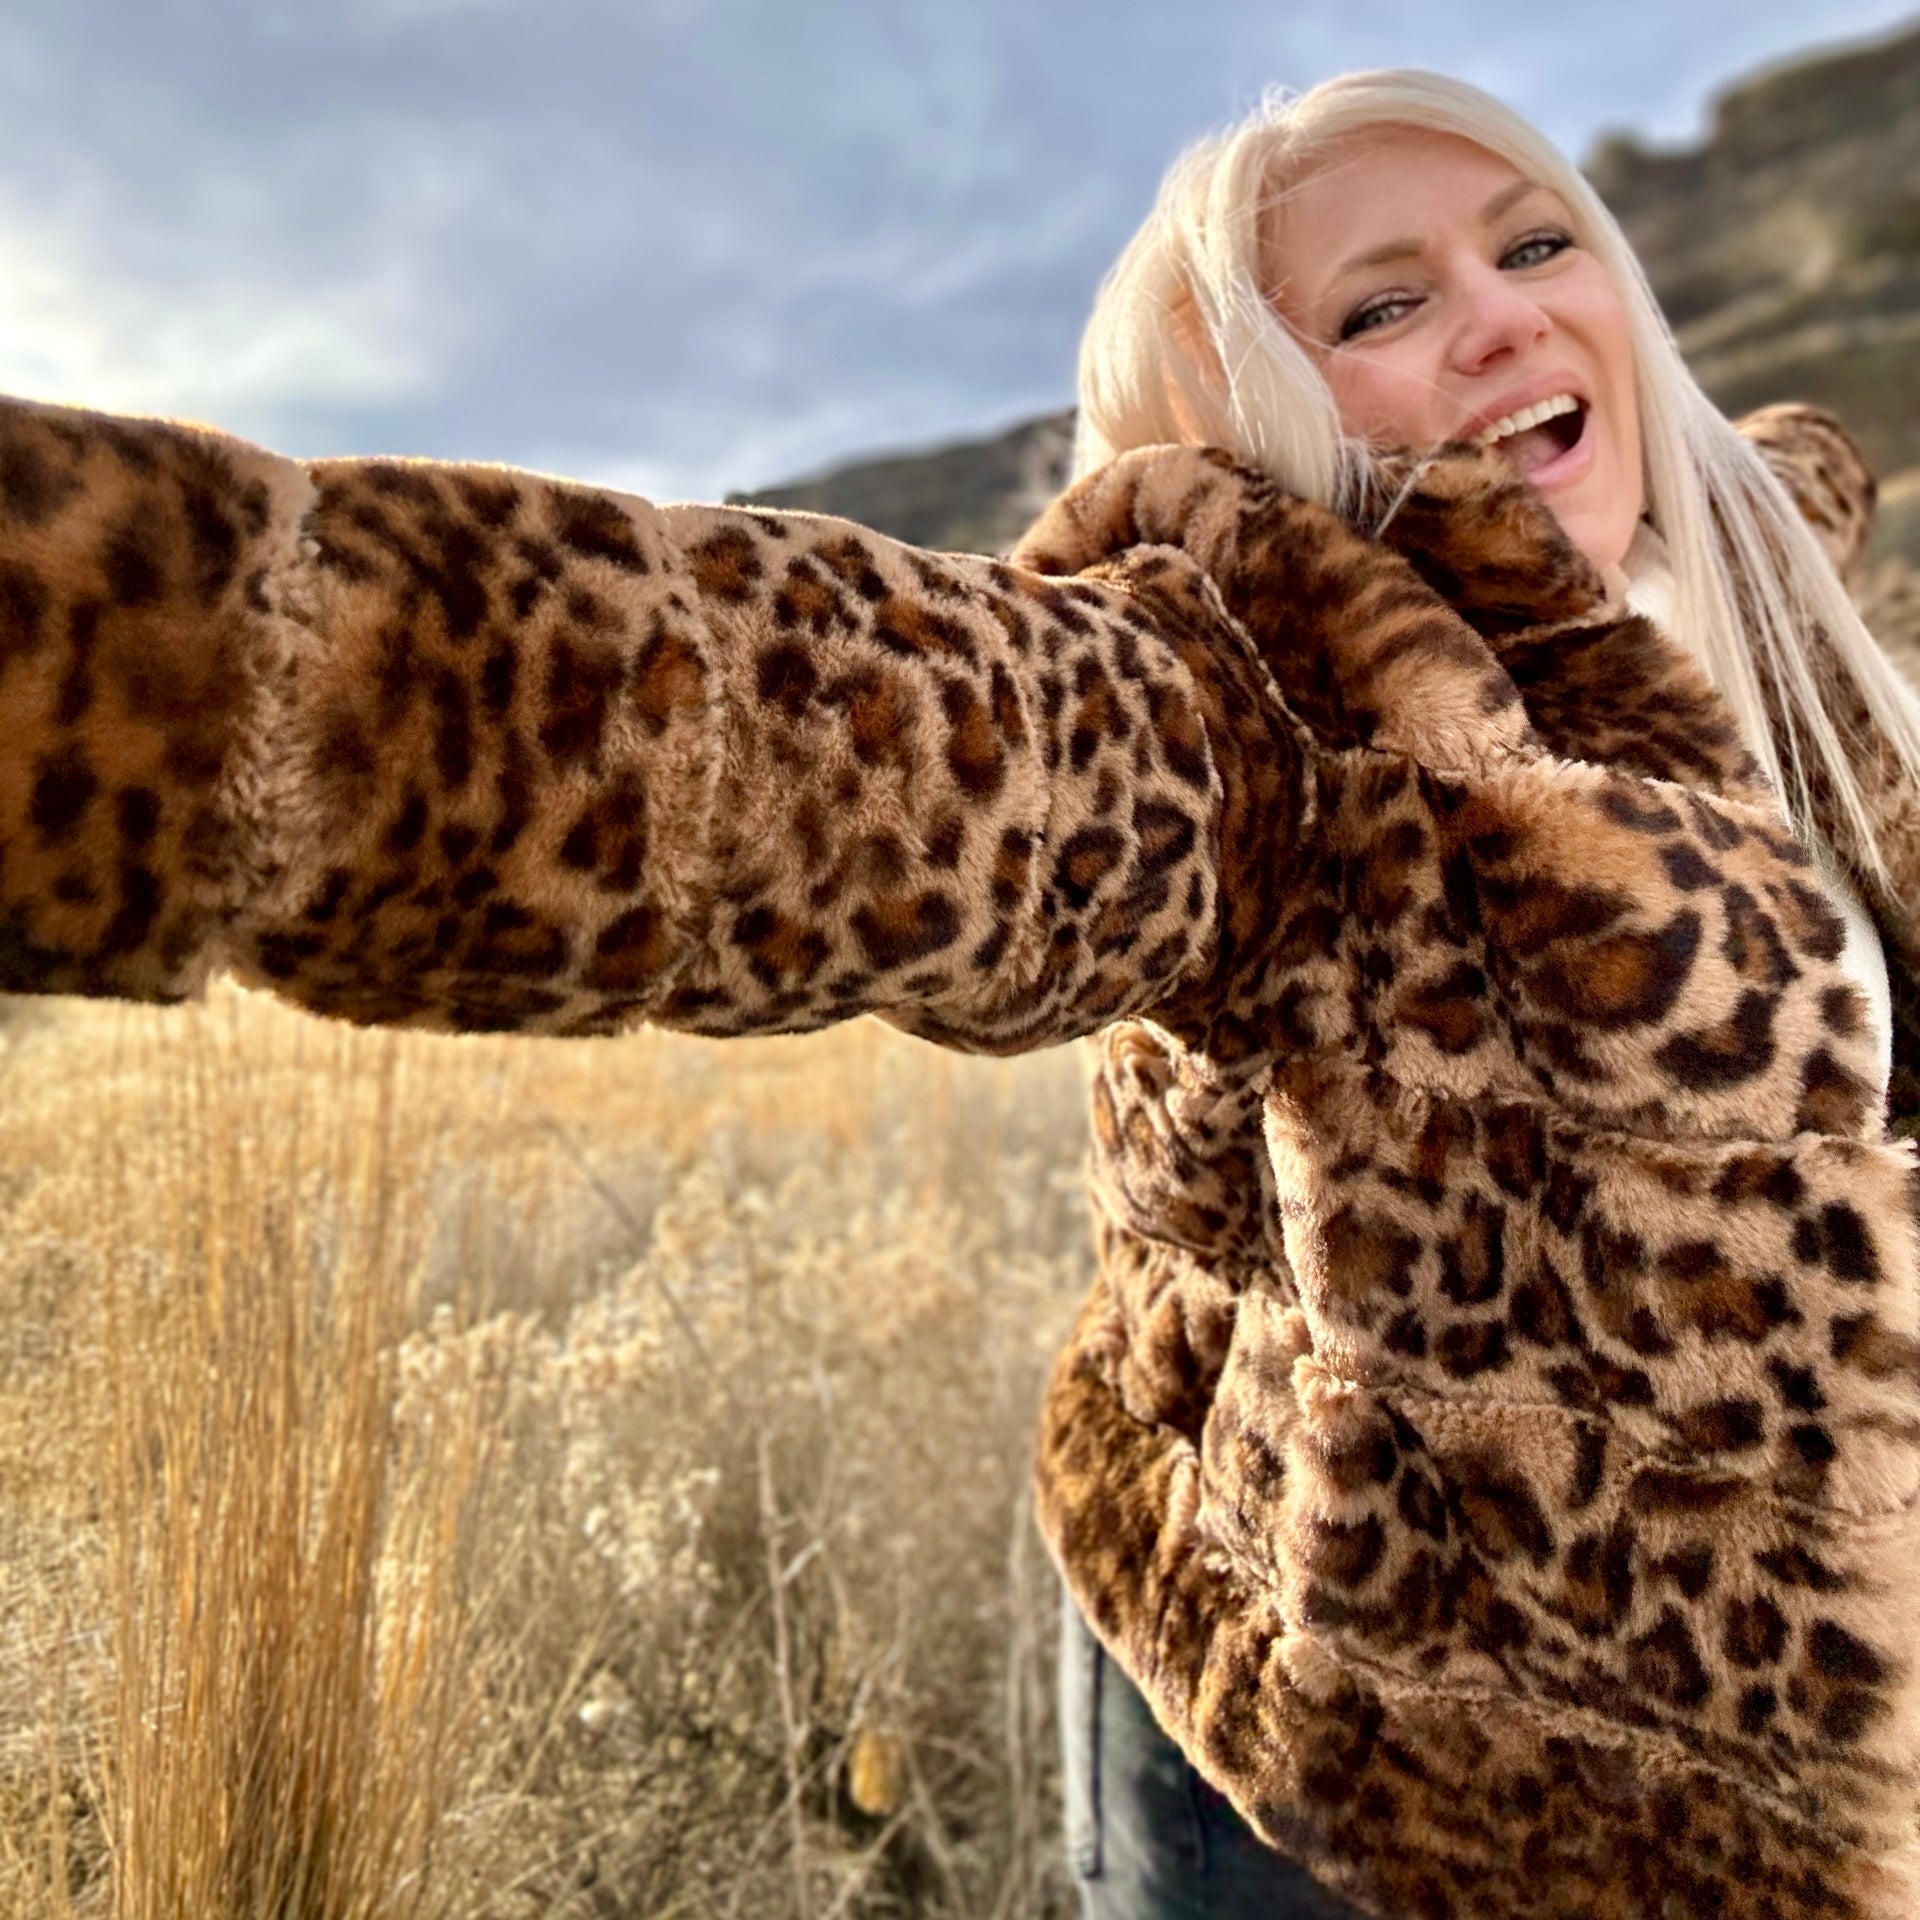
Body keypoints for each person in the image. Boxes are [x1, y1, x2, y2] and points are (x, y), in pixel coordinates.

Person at [0, 64, 1916, 1920]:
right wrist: (138, 665)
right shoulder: (1262, 702)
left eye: (1535, 242)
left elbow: (1781, 467)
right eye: (1386, 303)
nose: (1504, 321)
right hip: (1375, 1801)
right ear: (1250, 429)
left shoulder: (1746, 586)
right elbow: (769, 736)